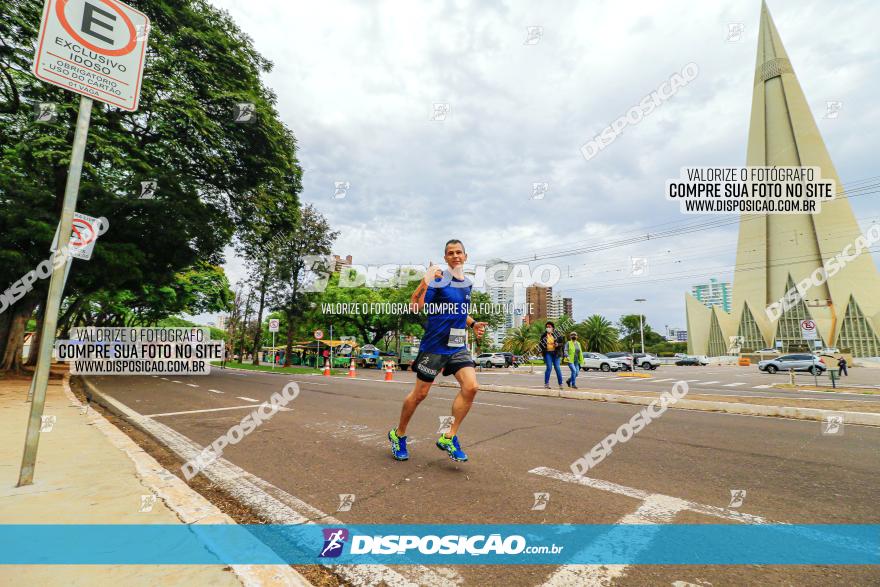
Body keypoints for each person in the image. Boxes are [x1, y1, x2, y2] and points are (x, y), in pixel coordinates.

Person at [388, 240, 487, 463]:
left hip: (457, 346)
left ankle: (449, 437)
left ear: (466, 256)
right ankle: (398, 434)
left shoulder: (468, 284)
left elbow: (459, 311)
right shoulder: (439, 281)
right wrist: (426, 280)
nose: (455, 256)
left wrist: (472, 324)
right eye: (450, 253)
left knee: (471, 387)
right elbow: (416, 304)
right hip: (434, 346)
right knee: (420, 394)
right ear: (445, 258)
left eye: (458, 252)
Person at [538, 321, 565, 390]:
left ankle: (560, 384)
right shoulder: (544, 335)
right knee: (549, 367)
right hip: (548, 353)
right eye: (547, 327)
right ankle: (546, 384)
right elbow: (540, 344)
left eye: (549, 327)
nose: (548, 328)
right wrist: (541, 351)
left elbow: (562, 343)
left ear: (553, 327)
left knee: (557, 368)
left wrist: (557, 344)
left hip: (556, 354)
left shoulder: (557, 334)